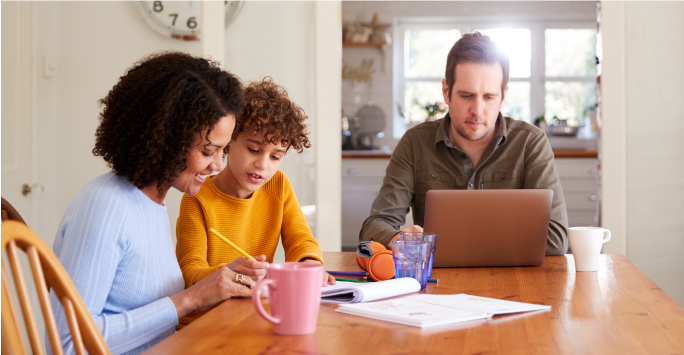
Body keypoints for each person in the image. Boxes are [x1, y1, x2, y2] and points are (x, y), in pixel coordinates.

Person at [49, 52, 251, 355]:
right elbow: (69, 343)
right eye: (209, 151)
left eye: (223, 151)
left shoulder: (152, 203)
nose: (218, 165)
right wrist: (191, 299)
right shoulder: (104, 207)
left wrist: (215, 282)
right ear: (168, 139)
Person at [359, 32, 568, 255]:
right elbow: (374, 226)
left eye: (489, 97)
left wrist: (467, 242)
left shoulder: (530, 143)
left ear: (503, 96)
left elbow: (556, 240)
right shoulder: (414, 143)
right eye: (467, 95)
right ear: (447, 92)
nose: (477, 110)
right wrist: (396, 238)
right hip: (438, 284)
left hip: (514, 283)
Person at [175, 78, 334, 326]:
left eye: (275, 157)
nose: (263, 165)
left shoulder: (278, 185)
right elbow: (190, 273)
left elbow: (300, 239)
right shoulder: (198, 198)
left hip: (254, 315)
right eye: (254, 149)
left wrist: (309, 265)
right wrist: (229, 273)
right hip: (206, 324)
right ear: (229, 141)